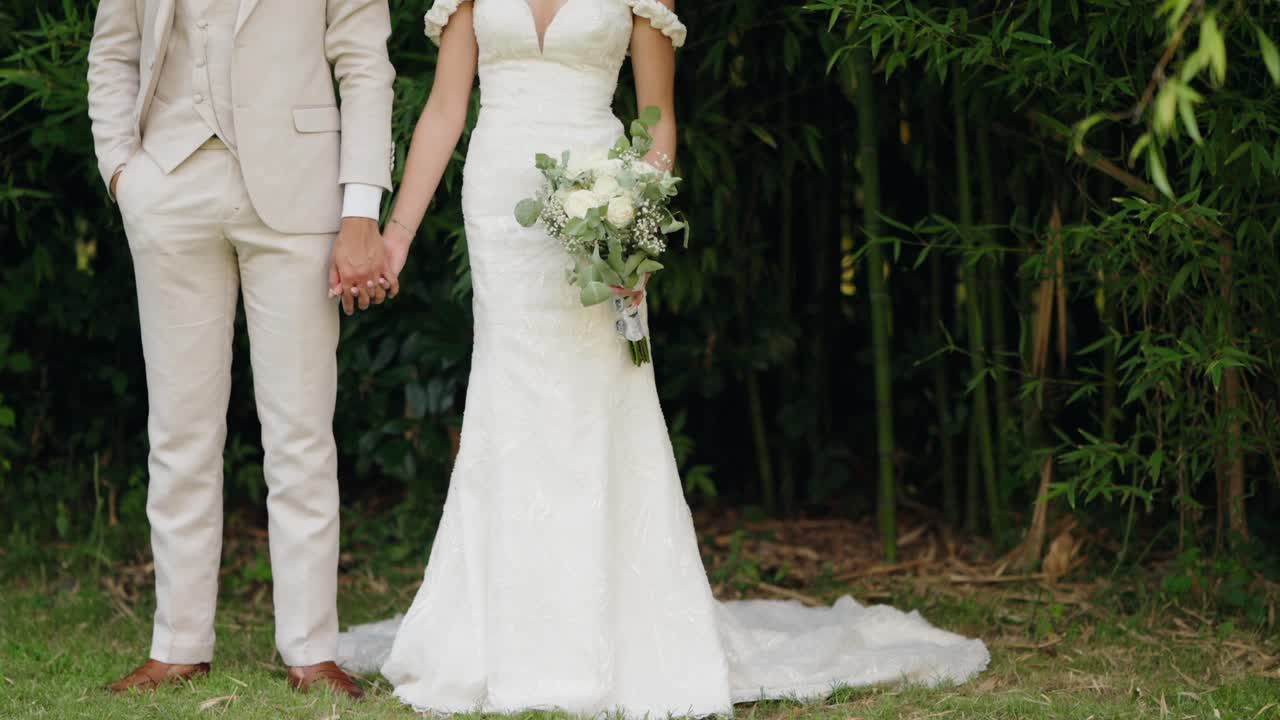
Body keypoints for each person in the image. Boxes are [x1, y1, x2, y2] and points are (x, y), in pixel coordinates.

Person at [337, 0, 989, 716]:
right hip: (499, 204)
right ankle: (502, 634)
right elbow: (442, 110)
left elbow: (658, 119)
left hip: (597, 202)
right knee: (511, 398)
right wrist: (396, 235)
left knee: (594, 403)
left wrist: (638, 229)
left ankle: (607, 633)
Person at [86, 0, 396, 698]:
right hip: (169, 183)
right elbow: (112, 51)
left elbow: (365, 64)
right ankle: (178, 644)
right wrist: (122, 173)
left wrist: (360, 211)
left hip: (301, 193)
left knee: (300, 432)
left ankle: (312, 649)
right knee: (180, 431)